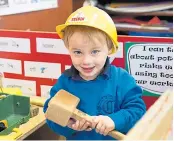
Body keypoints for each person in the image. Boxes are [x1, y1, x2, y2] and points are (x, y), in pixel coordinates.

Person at [43, 6, 146, 140]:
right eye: (78, 52)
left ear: (109, 48)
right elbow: (50, 113)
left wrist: (114, 120)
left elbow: (138, 111)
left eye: (95, 51)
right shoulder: (65, 82)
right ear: (68, 49)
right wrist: (67, 124)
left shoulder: (122, 80)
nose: (86, 61)